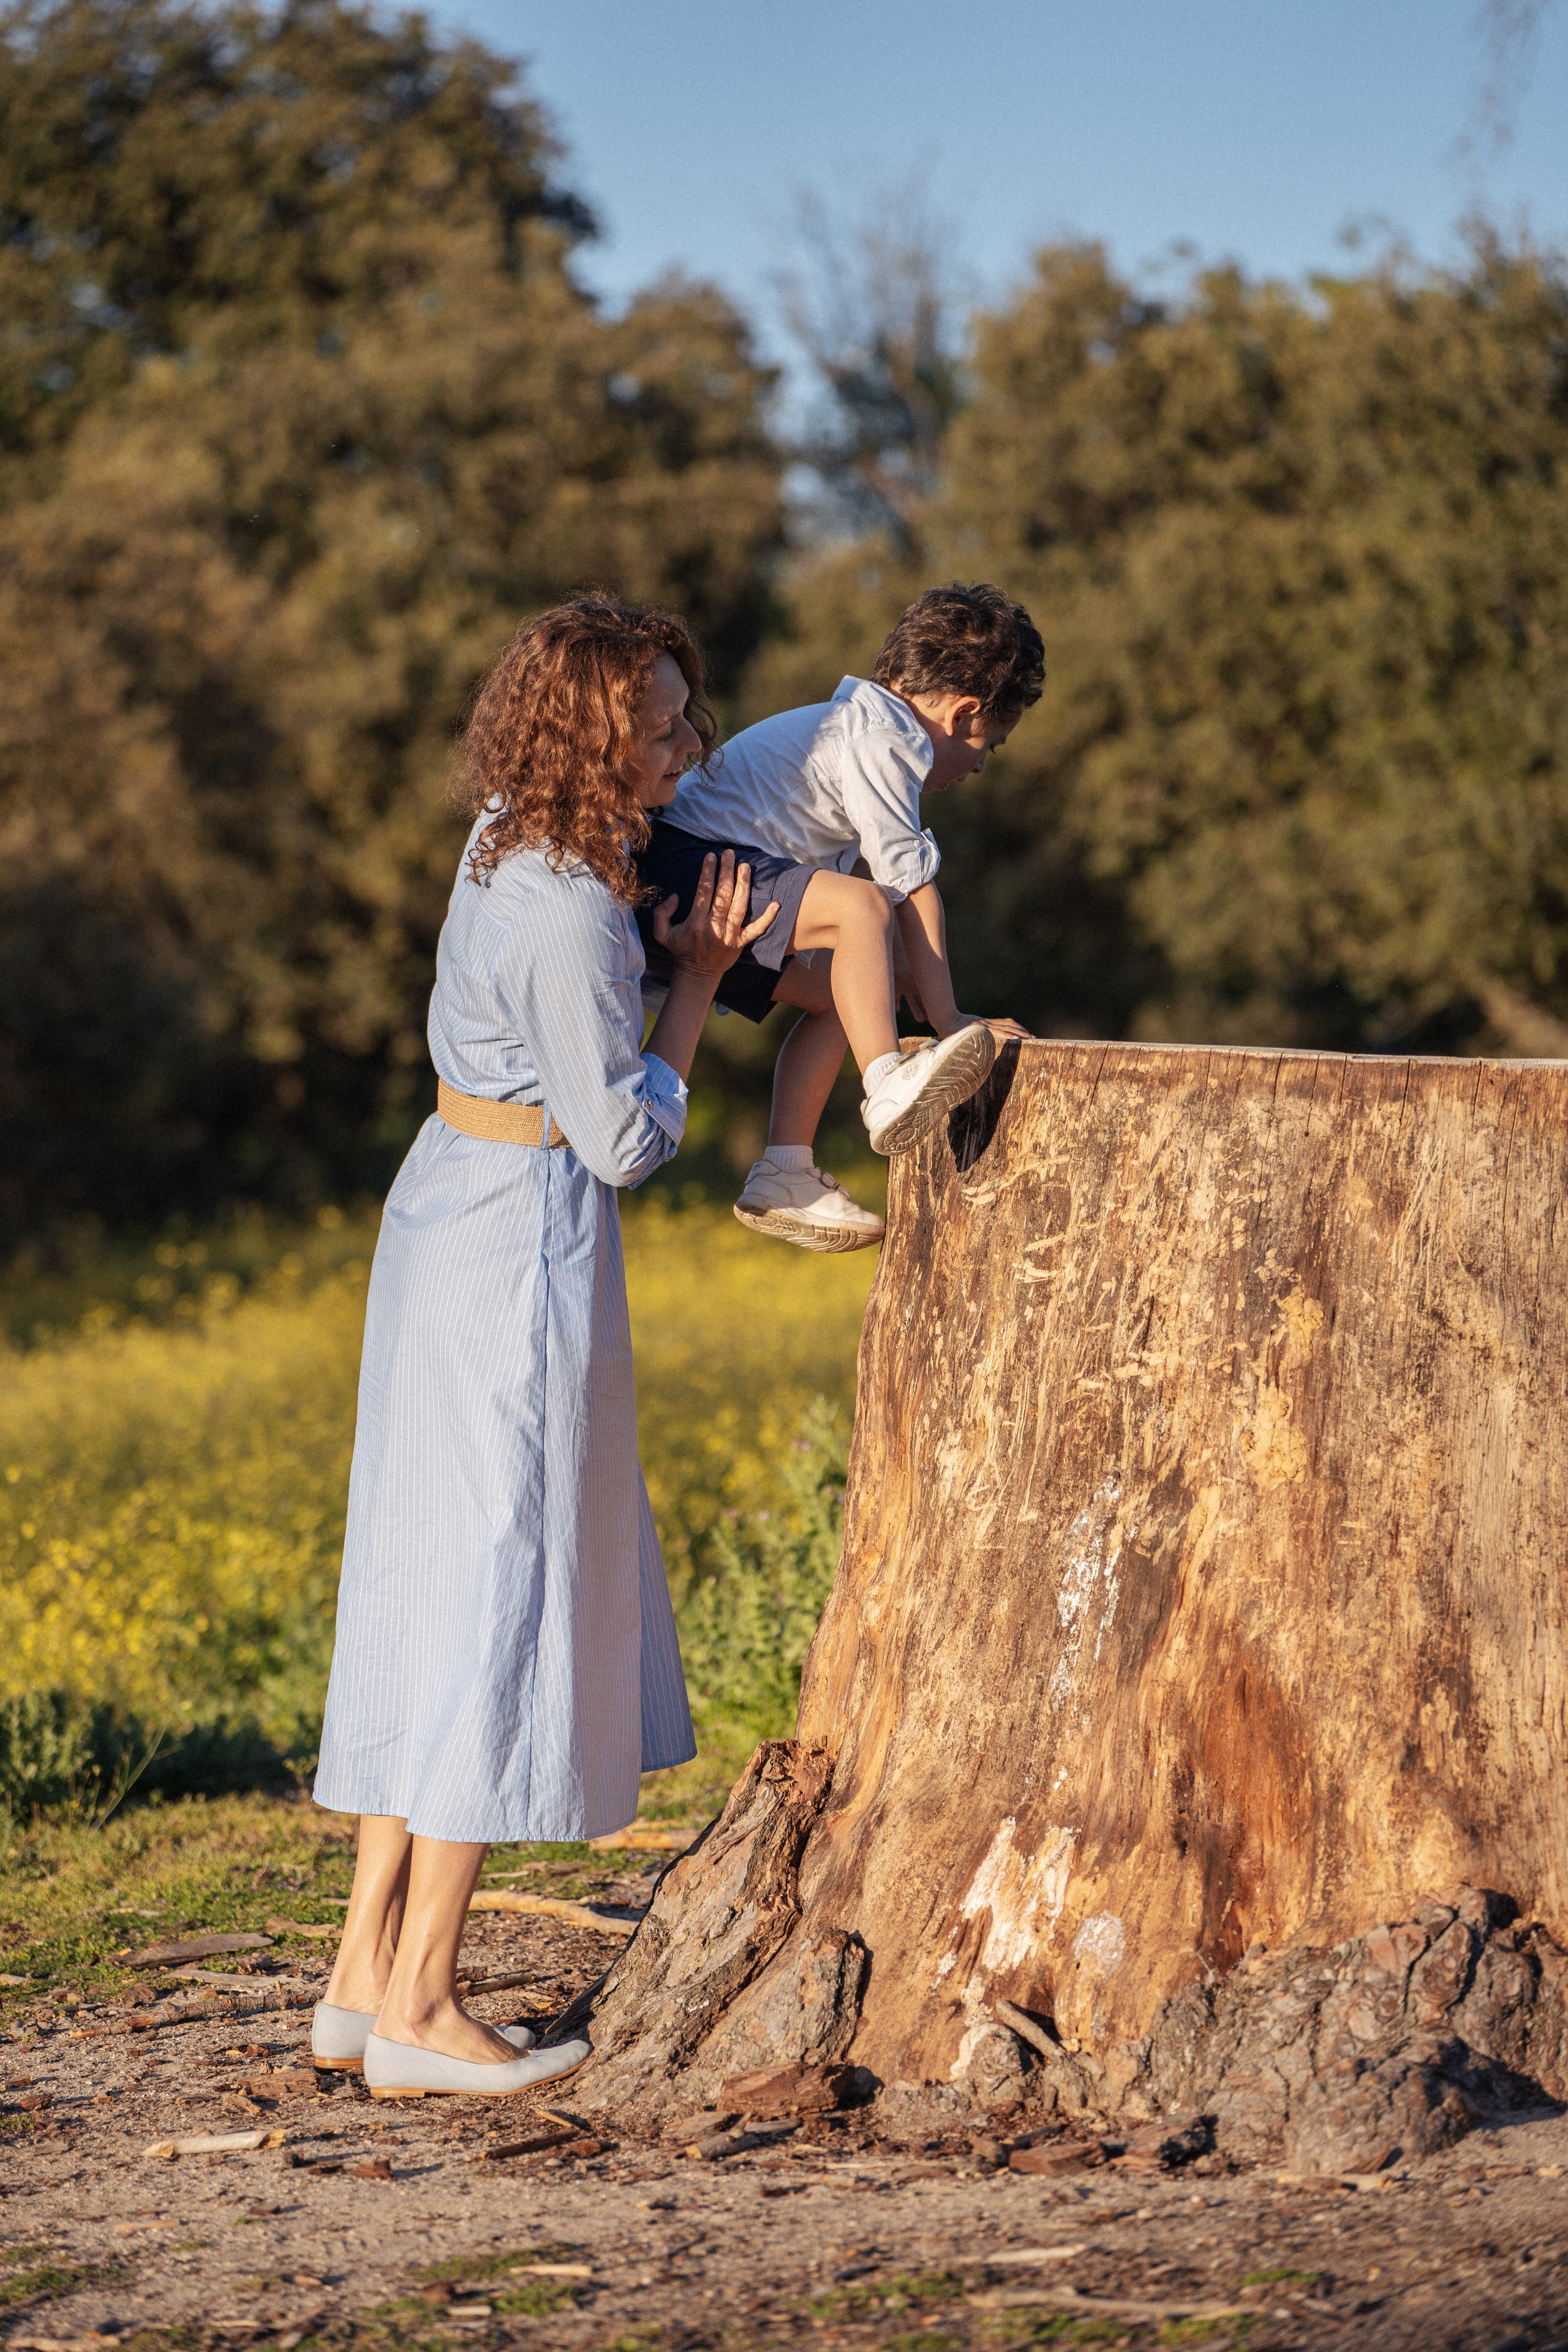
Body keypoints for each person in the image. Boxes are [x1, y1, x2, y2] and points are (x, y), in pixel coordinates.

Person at [310, 595, 777, 2100]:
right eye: (663, 726)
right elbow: (626, 1135)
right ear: (595, 737)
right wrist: (697, 979)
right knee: (498, 1591)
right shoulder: (575, 909)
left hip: (439, 1203)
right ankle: (426, 2011)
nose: (690, 743)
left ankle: (359, 1974)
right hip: (519, 1235)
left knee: (435, 1576)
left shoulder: (503, 836)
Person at [636, 582, 1045, 1252]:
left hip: (694, 889)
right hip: (688, 869)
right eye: (987, 747)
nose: (977, 769)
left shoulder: (854, 732)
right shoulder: (885, 738)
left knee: (849, 996)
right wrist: (948, 1021)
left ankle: (783, 1171)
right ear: (963, 711)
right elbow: (903, 885)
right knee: (860, 912)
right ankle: (886, 1083)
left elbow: (870, 893)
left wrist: (908, 972)